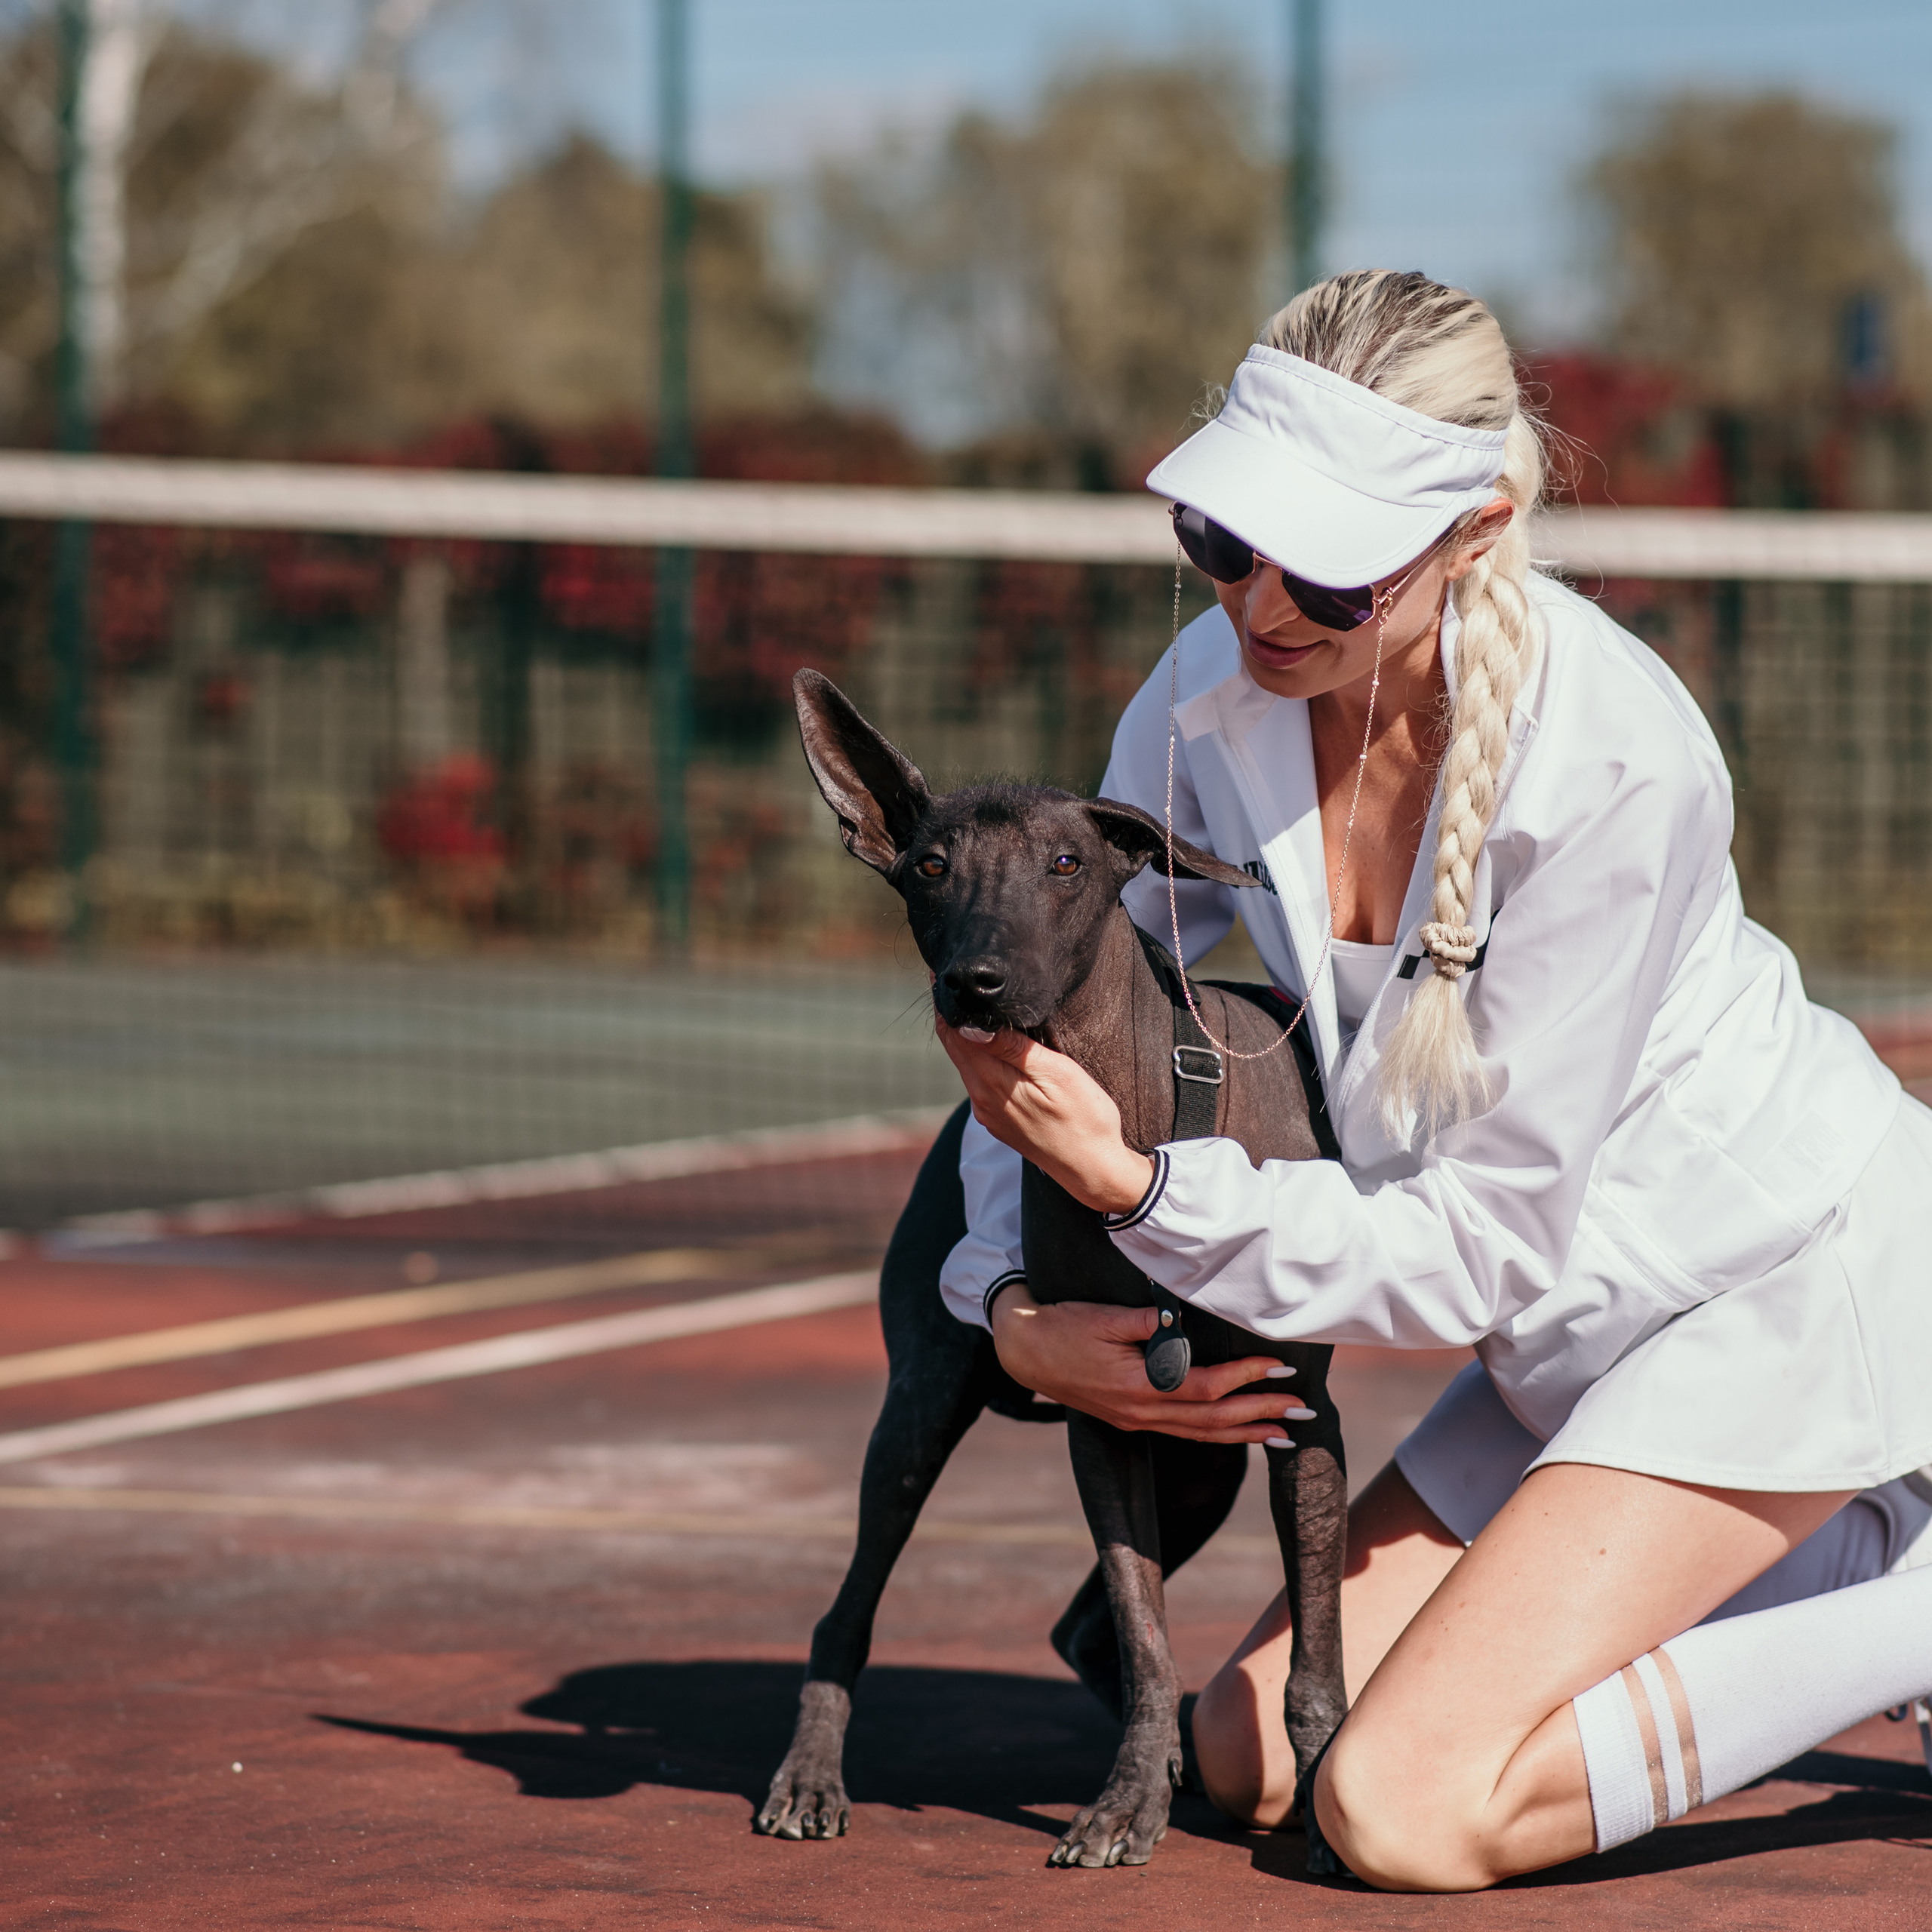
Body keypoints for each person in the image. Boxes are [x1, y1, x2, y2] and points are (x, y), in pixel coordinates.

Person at [931, 269, 1932, 1891]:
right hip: (1558, 1343)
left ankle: (1910, 1598)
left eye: (1320, 568)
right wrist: (1008, 1306)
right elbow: (1052, 1029)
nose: (1257, 602)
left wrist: (1144, 1196)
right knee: (1249, 1754)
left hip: (1770, 1291)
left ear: (1471, 526)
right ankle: (1844, 1538)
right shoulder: (1194, 706)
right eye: (1221, 539)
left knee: (1404, 1806)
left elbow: (1474, 1241)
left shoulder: (1614, 757)